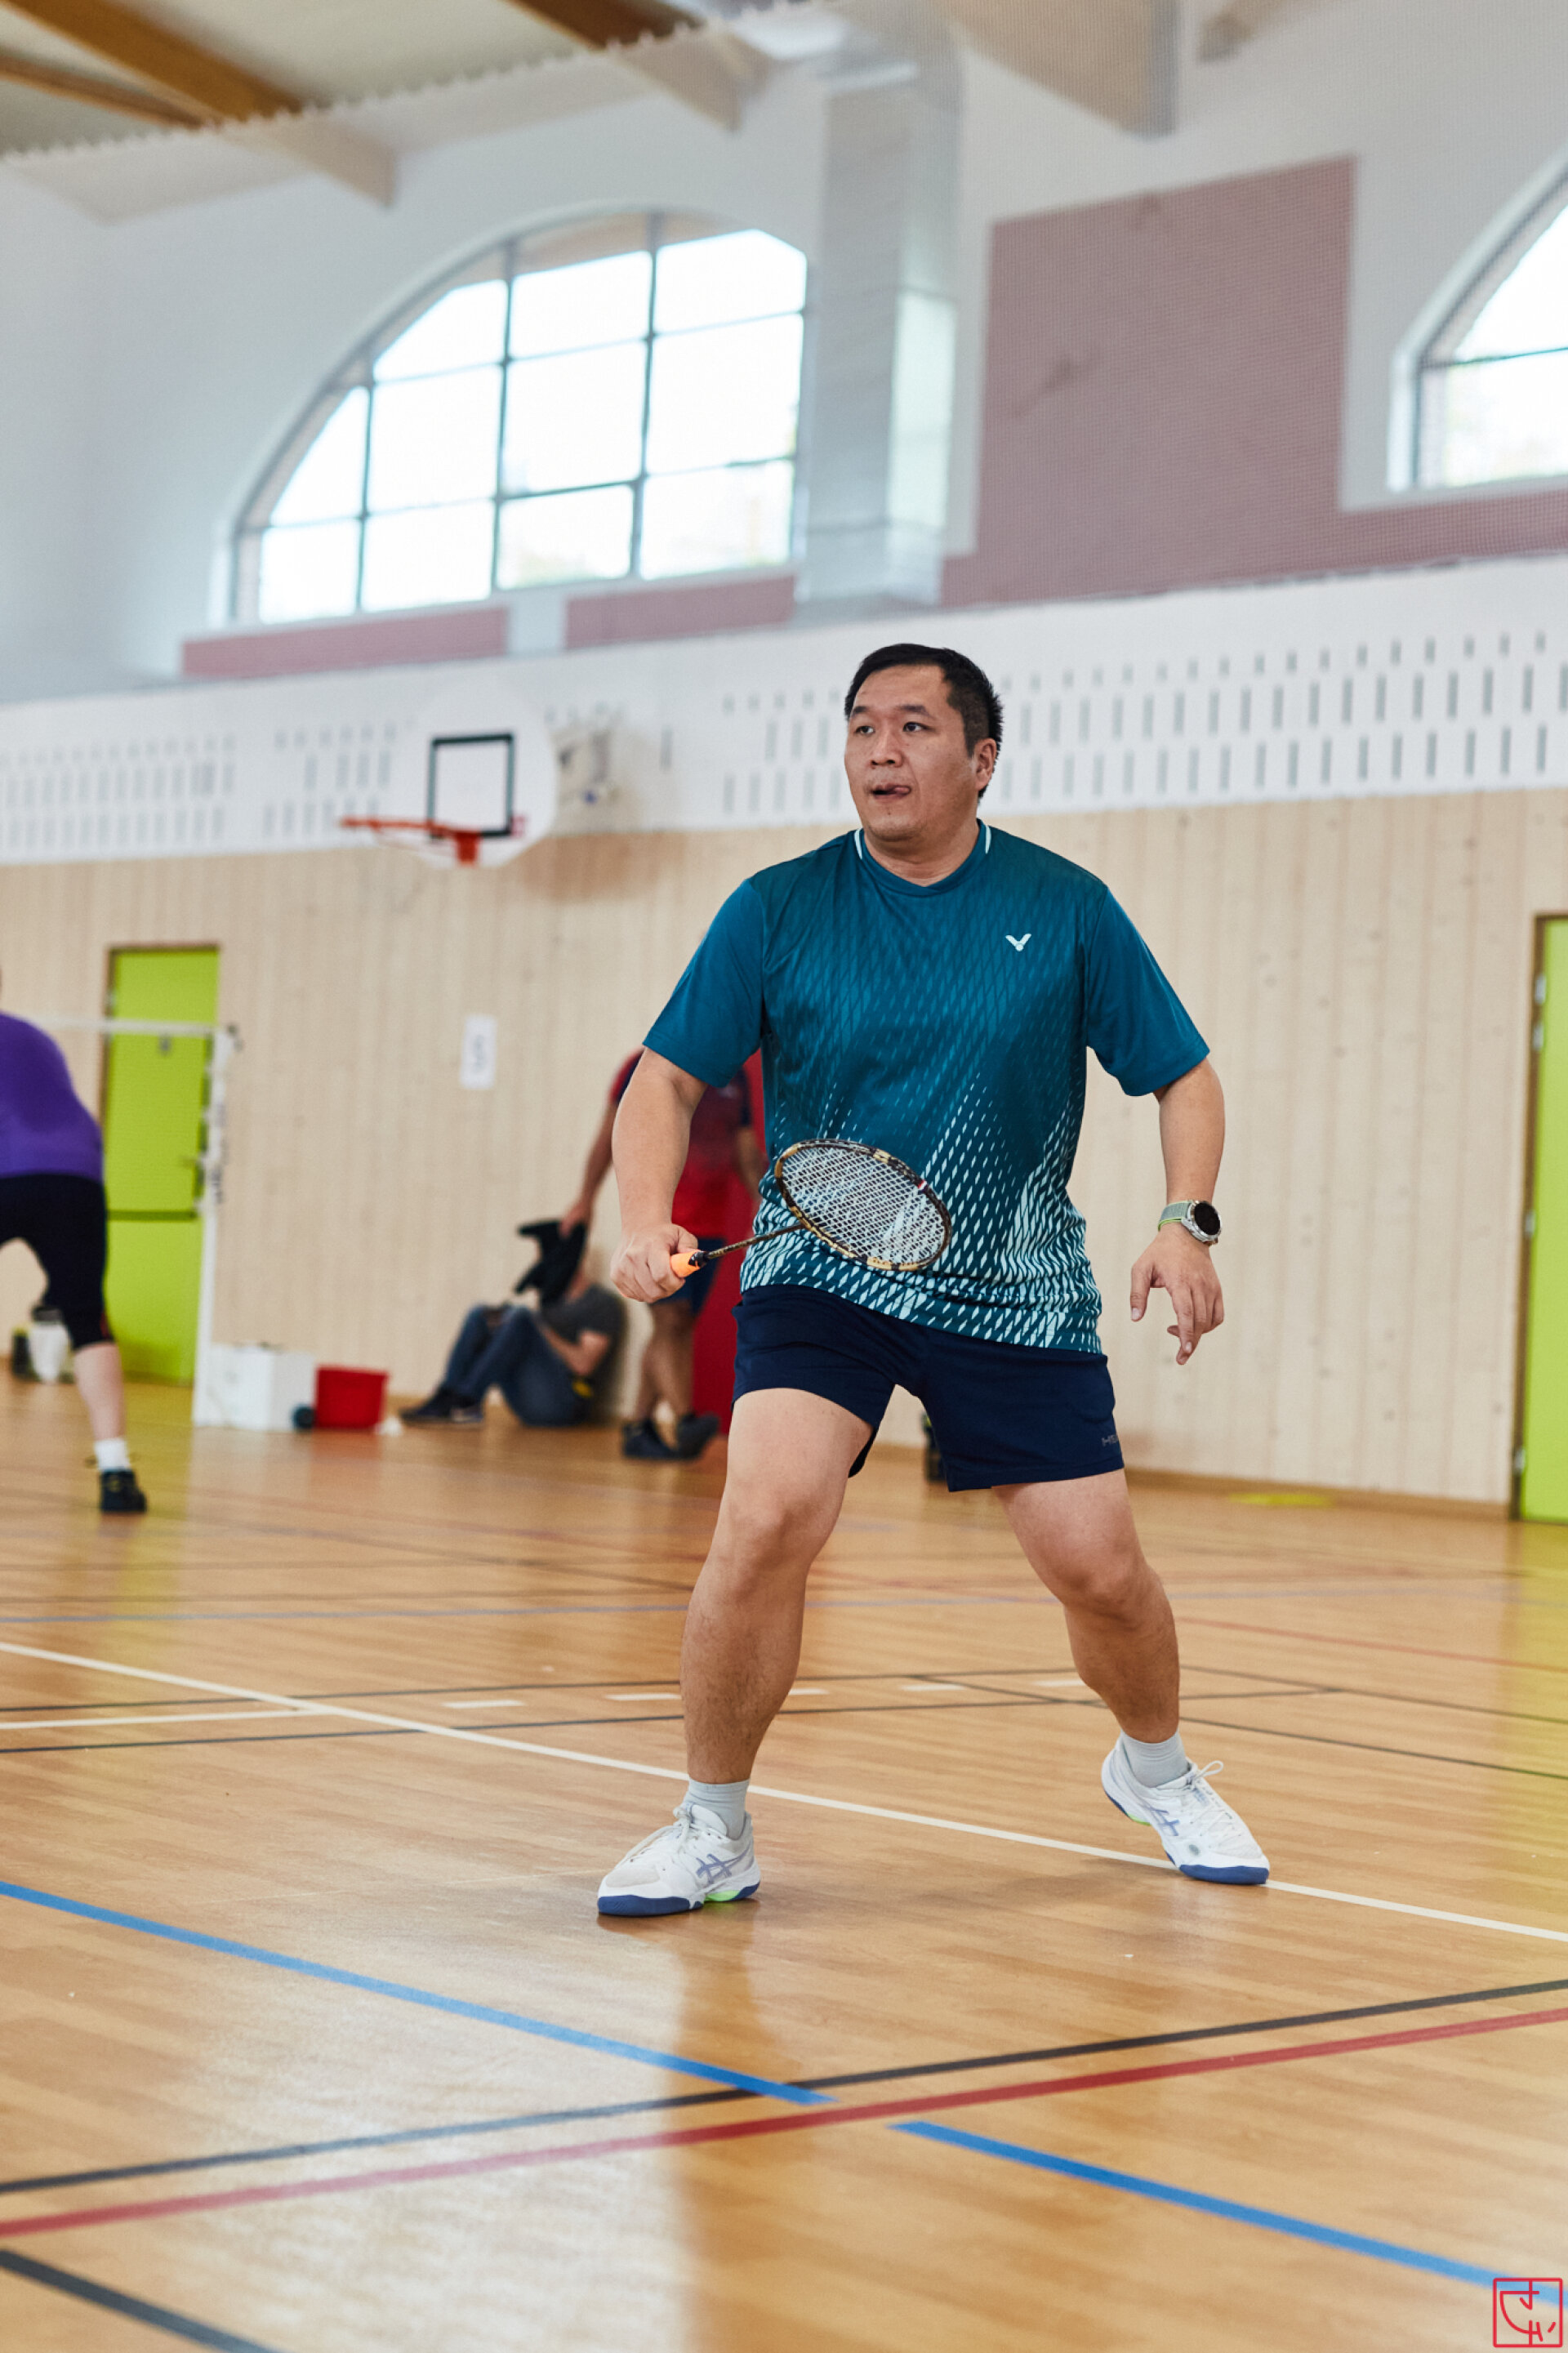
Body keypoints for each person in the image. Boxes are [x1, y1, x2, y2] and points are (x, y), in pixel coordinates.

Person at [598, 641, 1268, 1917]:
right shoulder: (779, 907)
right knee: (766, 1517)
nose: (882, 750)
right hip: (823, 1265)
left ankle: (1158, 1771)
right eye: (862, 726)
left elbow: (1183, 1076)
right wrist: (641, 1219)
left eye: (913, 725)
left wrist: (1185, 1221)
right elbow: (665, 1079)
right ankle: (712, 1825)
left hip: (1014, 1284)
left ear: (982, 758)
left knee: (1100, 1571)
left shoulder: (1065, 908)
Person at [562, 1051, 763, 1463]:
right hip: (661, 1222)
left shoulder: (735, 1077)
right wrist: (585, 1198)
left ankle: (639, 1425)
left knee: (676, 1326)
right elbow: (612, 1134)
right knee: (670, 1319)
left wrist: (763, 1205)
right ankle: (686, 1419)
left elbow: (744, 1150)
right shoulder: (646, 1065)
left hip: (711, 1226)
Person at [0, 1005, 146, 1513]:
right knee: (89, 1321)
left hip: (8, 1170)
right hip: (77, 1174)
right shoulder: (34, 1037)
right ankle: (116, 1472)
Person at [401, 1227, 624, 1429]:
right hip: (528, 1400)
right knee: (481, 1314)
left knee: (521, 1317)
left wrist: (538, 1328)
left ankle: (466, 1401)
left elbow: (583, 1365)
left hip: (564, 1406)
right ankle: (450, 1395)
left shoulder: (600, 1303)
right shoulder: (550, 1301)